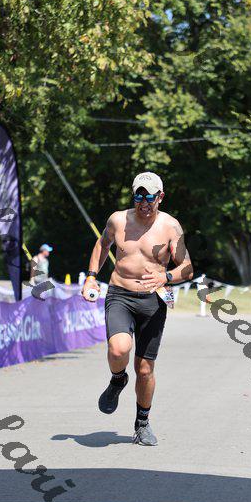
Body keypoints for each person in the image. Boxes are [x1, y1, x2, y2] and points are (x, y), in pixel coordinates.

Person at [81, 172, 193, 446]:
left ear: (160, 197)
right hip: (120, 294)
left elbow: (187, 268)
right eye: (139, 196)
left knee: (144, 369)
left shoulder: (171, 227)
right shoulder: (118, 220)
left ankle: (142, 423)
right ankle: (118, 379)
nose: (144, 202)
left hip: (153, 300)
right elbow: (102, 244)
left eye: (150, 197)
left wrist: (166, 277)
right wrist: (91, 276)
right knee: (118, 349)